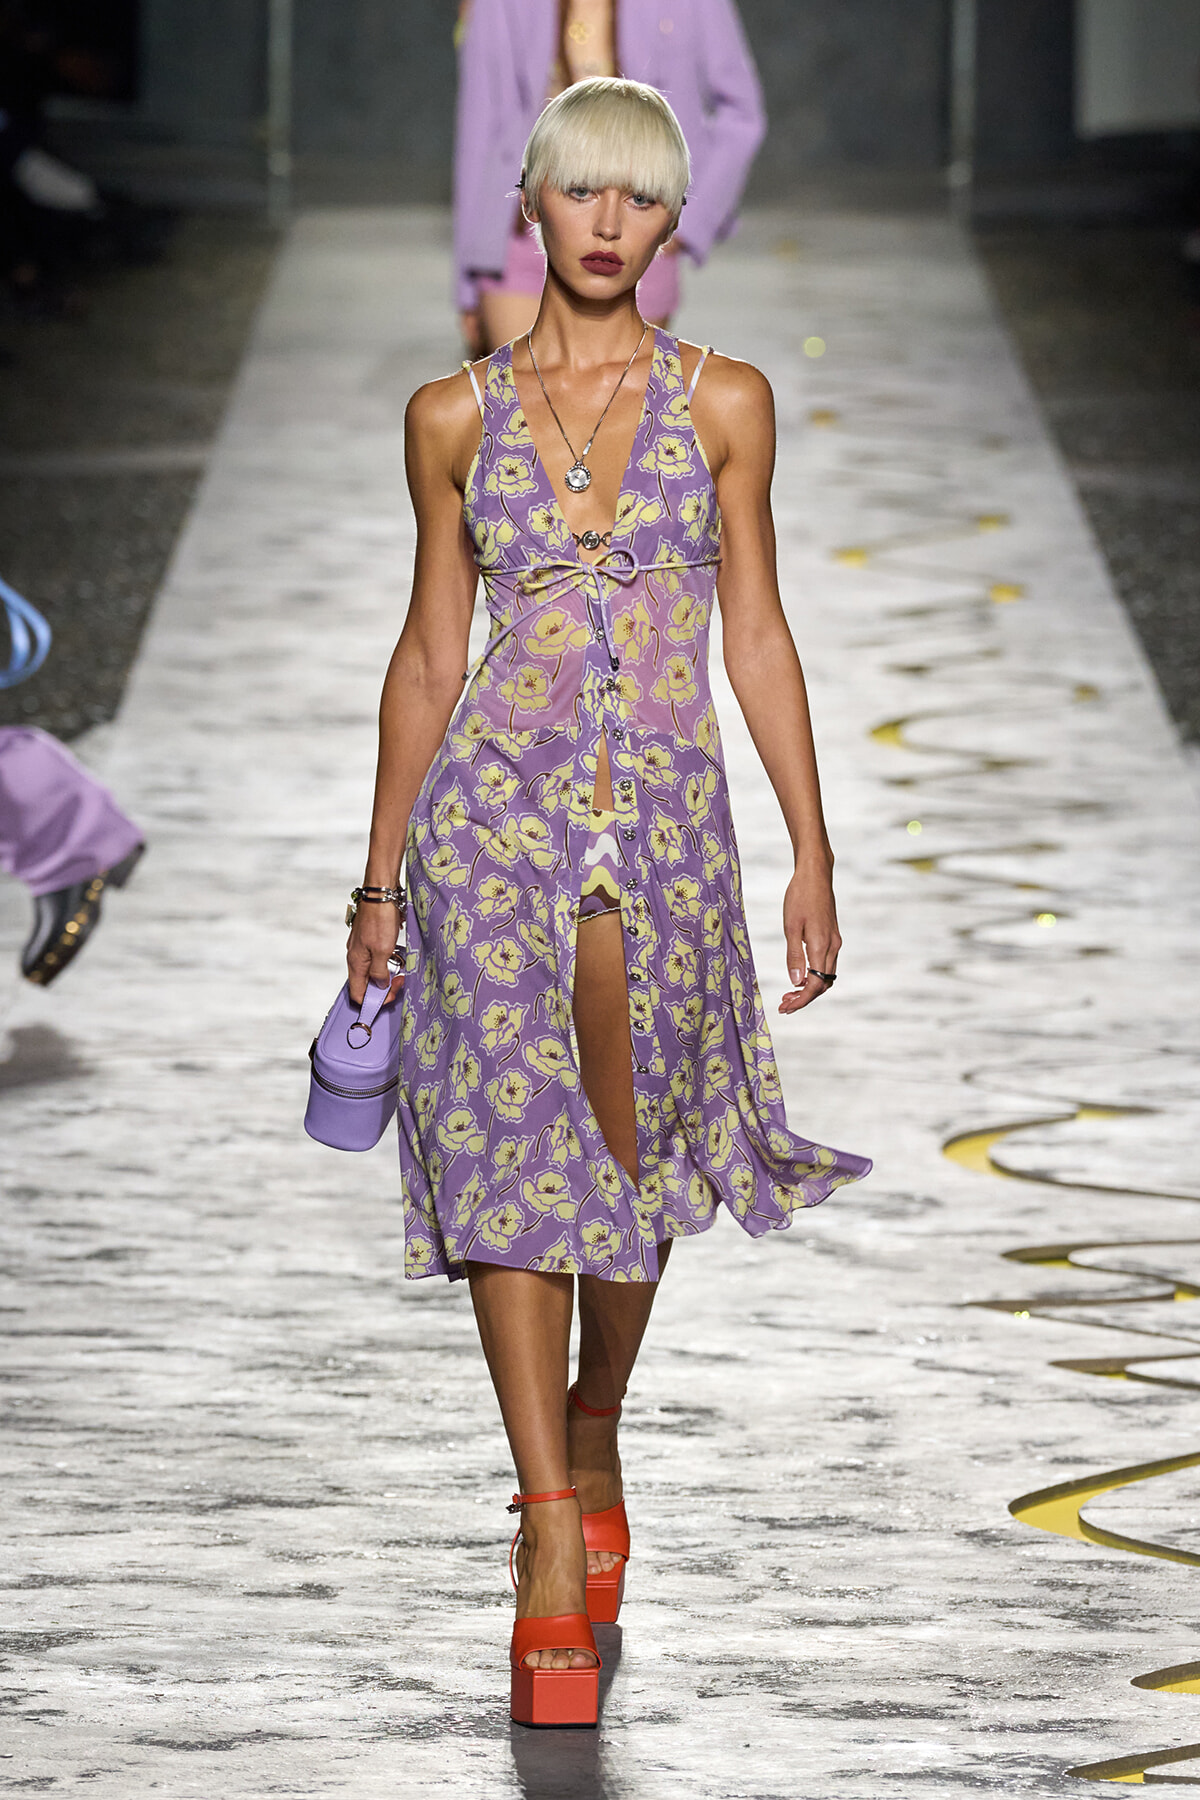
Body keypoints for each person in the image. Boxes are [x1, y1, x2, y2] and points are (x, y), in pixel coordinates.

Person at [346, 77, 870, 1727]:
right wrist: (376, 880)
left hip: (663, 828)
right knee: (511, 1148)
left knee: (630, 1160)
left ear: (668, 222)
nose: (603, 222)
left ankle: (594, 1422)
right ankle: (552, 1529)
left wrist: (814, 846)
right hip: (490, 826)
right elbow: (435, 650)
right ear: (535, 202)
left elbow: (761, 633)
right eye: (578, 191)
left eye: (635, 198)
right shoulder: (452, 415)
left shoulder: (728, 404)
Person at [454, 0, 765, 353]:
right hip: (522, 232)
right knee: (526, 400)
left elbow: (742, 114)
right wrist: (467, 285)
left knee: (617, 403)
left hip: (637, 228)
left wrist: (688, 220)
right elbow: (480, 126)